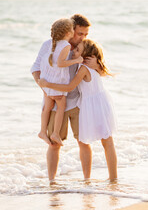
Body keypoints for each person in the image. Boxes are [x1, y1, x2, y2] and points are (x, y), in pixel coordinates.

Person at [31, 14, 99, 181]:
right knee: (54, 144)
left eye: (86, 35)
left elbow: (98, 70)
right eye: (80, 34)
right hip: (55, 100)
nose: (82, 37)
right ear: (71, 30)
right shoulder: (50, 45)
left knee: (83, 141)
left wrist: (96, 65)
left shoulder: (85, 47)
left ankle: (87, 181)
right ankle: (52, 182)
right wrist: (45, 89)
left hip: (77, 101)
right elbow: (35, 69)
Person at [38, 39, 118, 181]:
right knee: (107, 141)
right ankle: (113, 178)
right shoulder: (92, 67)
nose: (74, 51)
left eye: (77, 50)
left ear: (85, 55)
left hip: (93, 105)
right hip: (100, 103)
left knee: (106, 141)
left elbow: (69, 87)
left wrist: (47, 84)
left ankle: (112, 178)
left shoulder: (83, 68)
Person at [38, 18, 83, 146]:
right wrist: (76, 61)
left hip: (48, 81)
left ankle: (42, 131)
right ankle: (55, 133)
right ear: (69, 32)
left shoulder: (53, 43)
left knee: (47, 107)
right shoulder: (66, 45)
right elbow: (61, 63)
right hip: (57, 83)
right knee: (61, 107)